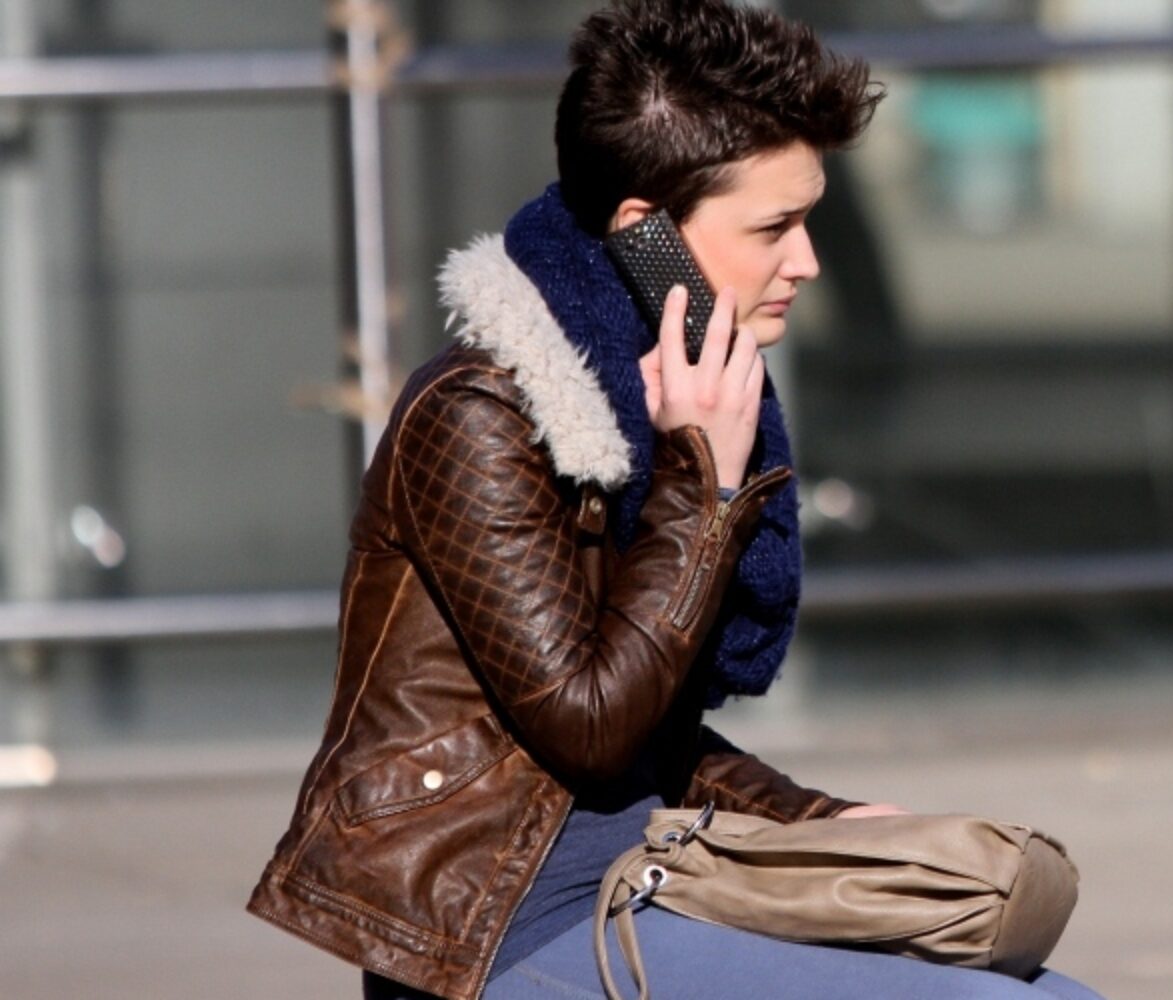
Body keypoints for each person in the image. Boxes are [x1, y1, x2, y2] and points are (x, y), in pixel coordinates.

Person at [247, 2, 1104, 998]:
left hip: (653, 869)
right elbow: (592, 725)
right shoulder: (483, 415)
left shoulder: (648, 388)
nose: (806, 262)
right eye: (773, 228)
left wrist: (815, 817)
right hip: (496, 927)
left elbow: (651, 738)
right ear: (645, 237)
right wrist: (704, 481)